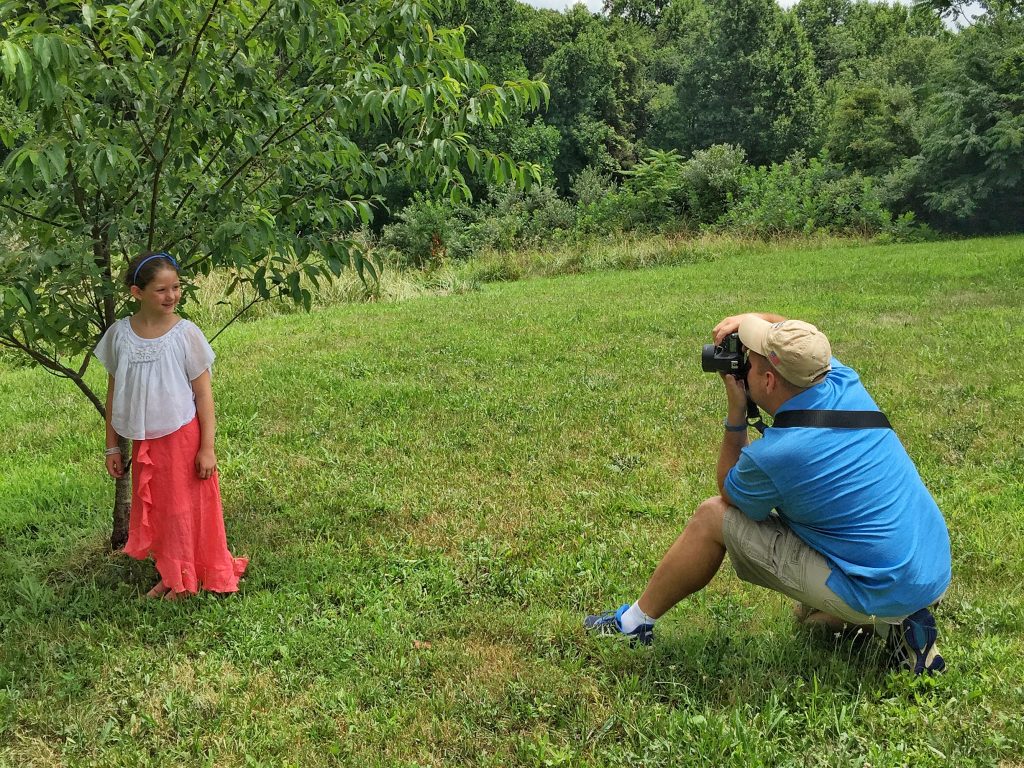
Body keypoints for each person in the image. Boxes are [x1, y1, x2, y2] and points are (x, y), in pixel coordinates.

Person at [585, 312, 951, 674]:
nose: (743, 363)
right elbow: (804, 340)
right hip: (929, 567)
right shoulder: (842, 381)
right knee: (812, 622)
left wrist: (737, 413)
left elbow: (729, 492)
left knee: (711, 517)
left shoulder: (778, 454)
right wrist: (748, 318)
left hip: (880, 584)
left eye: (751, 360)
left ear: (769, 381)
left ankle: (632, 624)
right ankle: (899, 621)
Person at [95, 251, 248, 600]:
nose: (172, 296)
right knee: (160, 509)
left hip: (182, 437)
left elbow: (204, 396)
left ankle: (184, 579)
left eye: (176, 287)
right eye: (161, 290)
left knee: (182, 509)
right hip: (144, 439)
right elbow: (114, 390)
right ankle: (171, 571)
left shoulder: (185, 335)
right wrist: (112, 445)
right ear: (137, 293)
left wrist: (207, 447)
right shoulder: (120, 335)